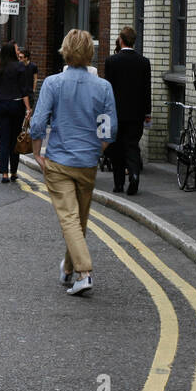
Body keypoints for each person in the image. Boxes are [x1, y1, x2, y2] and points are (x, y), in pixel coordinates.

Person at [30, 29, 116, 296]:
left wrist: (36, 153)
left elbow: (37, 124)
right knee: (78, 220)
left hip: (58, 160)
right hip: (87, 162)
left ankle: (84, 273)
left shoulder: (53, 83)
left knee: (70, 218)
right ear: (90, 52)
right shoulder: (103, 86)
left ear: (65, 50)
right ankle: (69, 269)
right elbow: (108, 130)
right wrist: (96, 151)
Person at [103, 26, 152, 195]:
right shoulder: (144, 62)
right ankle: (135, 174)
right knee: (132, 145)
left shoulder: (111, 61)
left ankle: (118, 185)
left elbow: (107, 90)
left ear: (121, 40)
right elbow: (147, 90)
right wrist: (147, 112)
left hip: (116, 114)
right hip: (136, 114)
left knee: (116, 149)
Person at [0, 41, 34, 182]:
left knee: (4, 140)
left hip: (1, 105)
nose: (18, 51)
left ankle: (4, 173)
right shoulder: (20, 67)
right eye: (16, 49)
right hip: (16, 105)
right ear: (11, 51)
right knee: (15, 140)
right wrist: (28, 109)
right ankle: (14, 172)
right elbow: (24, 90)